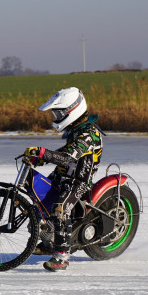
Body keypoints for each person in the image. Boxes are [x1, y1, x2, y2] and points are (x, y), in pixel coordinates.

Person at [23, 87, 103, 271]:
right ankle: (48, 243)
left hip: (79, 181)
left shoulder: (89, 134)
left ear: (73, 110)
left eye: (59, 113)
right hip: (63, 175)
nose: (57, 117)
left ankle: (62, 256)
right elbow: (65, 153)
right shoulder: (75, 130)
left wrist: (44, 153)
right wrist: (41, 159)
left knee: (60, 209)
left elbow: (70, 157)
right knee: (39, 204)